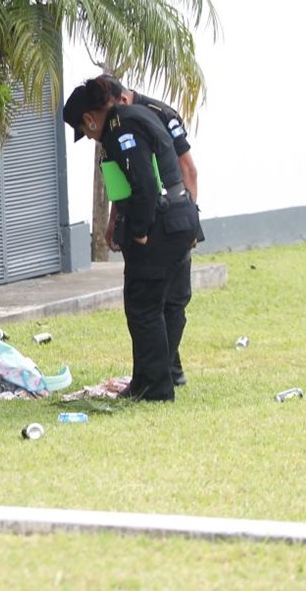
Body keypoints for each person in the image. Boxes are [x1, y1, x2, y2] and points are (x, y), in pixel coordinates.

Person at [63, 77, 200, 401]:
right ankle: (150, 379)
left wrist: (138, 232)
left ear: (89, 118)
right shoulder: (136, 117)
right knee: (165, 304)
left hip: (160, 224)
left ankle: (154, 388)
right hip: (179, 218)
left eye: (87, 131)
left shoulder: (121, 128)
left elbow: (144, 186)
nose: (92, 137)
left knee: (144, 307)